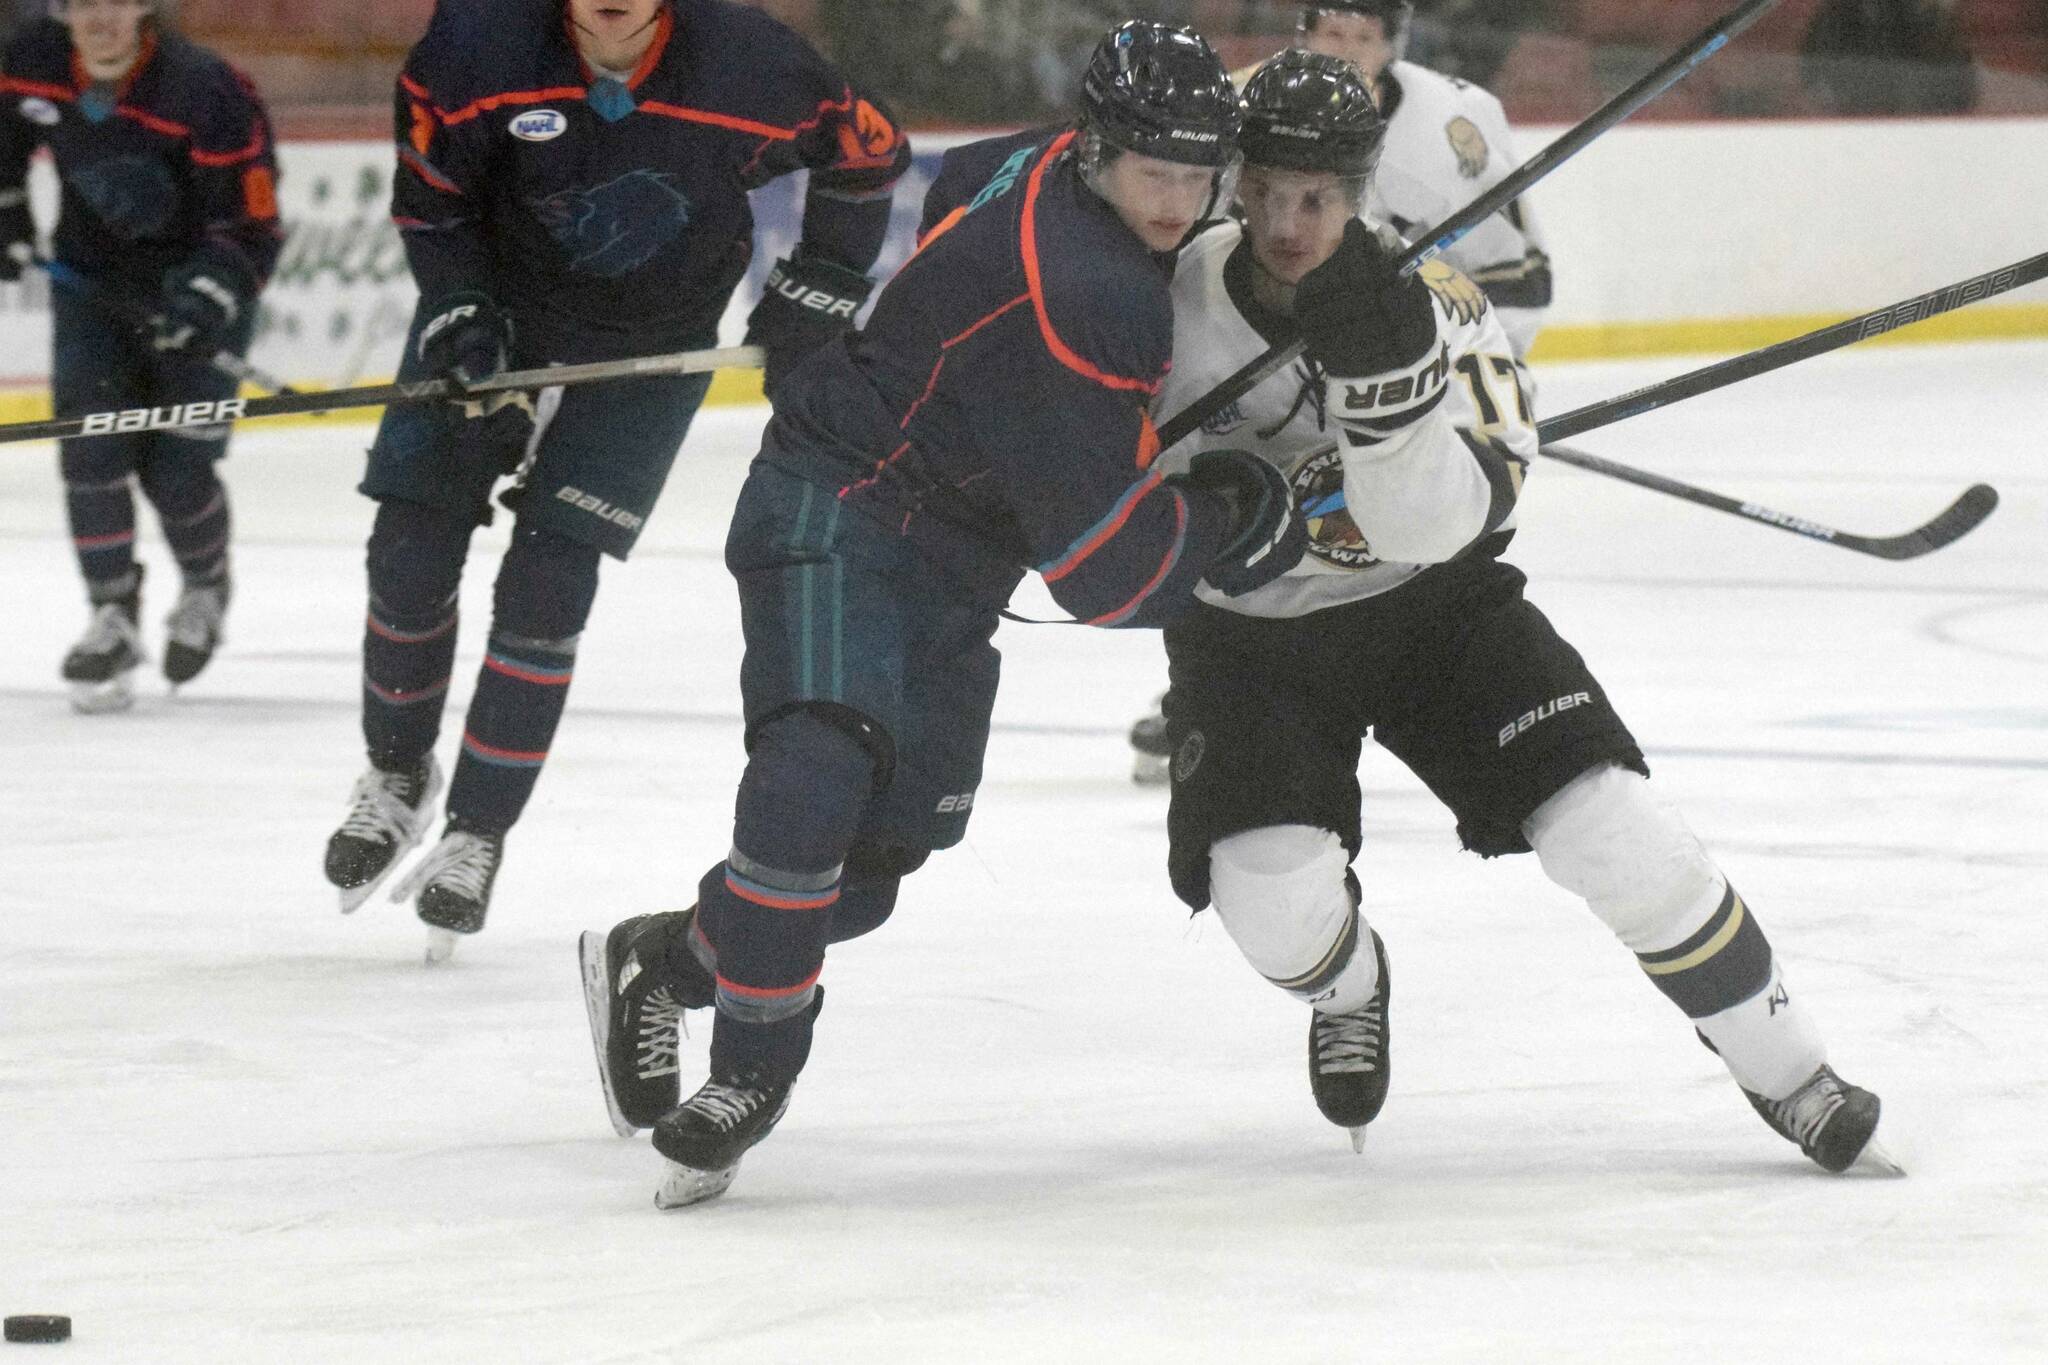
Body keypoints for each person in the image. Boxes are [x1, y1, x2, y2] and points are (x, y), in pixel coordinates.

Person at [578, 21, 1305, 1208]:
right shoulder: (1092, 296)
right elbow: (1106, 576)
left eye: (1196, 176)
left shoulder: (1032, 157)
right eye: (1155, 175)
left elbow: (957, 192)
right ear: (1100, 150)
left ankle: (659, 961)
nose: (1178, 203)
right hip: (836, 499)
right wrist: (1237, 518)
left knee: (867, 869)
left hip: (953, 566)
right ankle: (750, 1074)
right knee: (813, 771)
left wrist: (987, 392)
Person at [1151, 50, 1891, 1175]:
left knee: (1616, 829)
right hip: (1249, 642)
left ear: (1357, 192)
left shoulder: (1434, 306)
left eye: (1318, 200)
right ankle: (1348, 983)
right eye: (1267, 195)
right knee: (1268, 906)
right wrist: (1204, 510)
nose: (1290, 227)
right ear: (1234, 184)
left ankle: (1790, 1069)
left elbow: (1442, 525)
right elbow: (1101, 488)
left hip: (1431, 611)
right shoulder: (1169, 302)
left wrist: (1391, 402)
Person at [319, 0, 911, 959]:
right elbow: (433, 203)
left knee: (551, 579)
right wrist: (464, 309)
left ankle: (476, 832)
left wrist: (822, 284)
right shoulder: (475, 48)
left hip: (655, 339)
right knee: (409, 545)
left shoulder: (751, 63)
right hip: (498, 318)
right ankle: (396, 775)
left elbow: (870, 151)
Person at [1130, 0, 1550, 780]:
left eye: (1365, 36)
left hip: (1413, 350)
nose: (1348, 51)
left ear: (1396, 43)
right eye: (1331, 33)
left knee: (1393, 515)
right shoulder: (1241, 107)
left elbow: (1523, 277)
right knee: (1245, 499)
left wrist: (1429, 375)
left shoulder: (1455, 124)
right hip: (1261, 374)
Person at [0, 0, 280, 712]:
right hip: (91, 288)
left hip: (198, 295)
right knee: (92, 449)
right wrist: (6, 209)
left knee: (177, 469)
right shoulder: (28, 58)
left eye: (116, 1)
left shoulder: (207, 88)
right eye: (82, 2)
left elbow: (251, 223)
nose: (100, 19)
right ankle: (112, 614)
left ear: (146, 7)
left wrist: (206, 298)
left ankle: (205, 585)